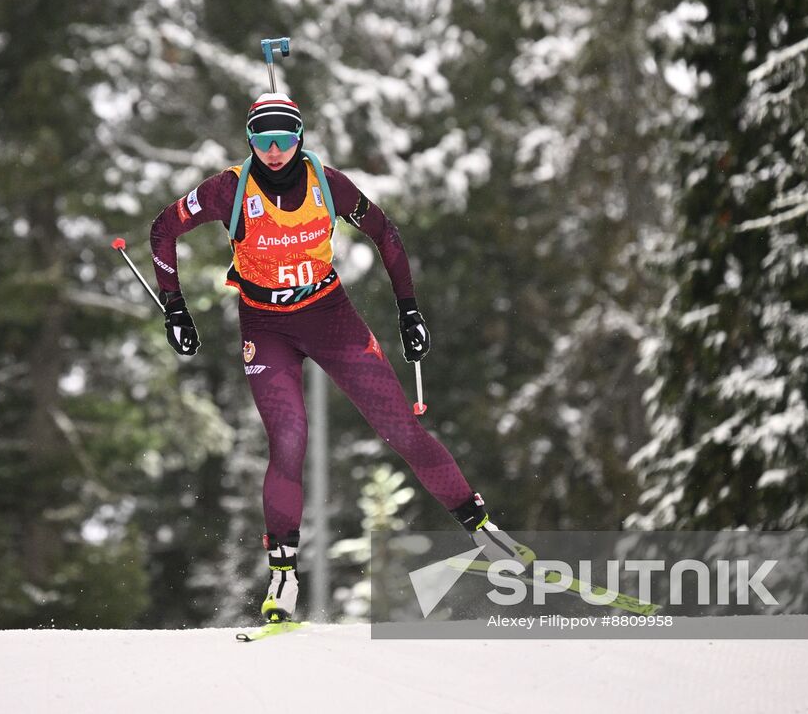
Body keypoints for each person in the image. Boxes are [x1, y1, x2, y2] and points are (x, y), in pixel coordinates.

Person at [149, 92, 527, 623]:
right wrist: (176, 309)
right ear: (250, 142)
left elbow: (385, 234)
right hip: (265, 324)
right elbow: (164, 228)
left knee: (401, 428)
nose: (274, 150)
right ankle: (283, 578)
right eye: (262, 139)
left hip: (330, 318)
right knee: (288, 439)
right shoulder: (229, 189)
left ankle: (483, 528)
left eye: (284, 139)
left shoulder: (330, 185)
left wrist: (409, 313)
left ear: (300, 138)